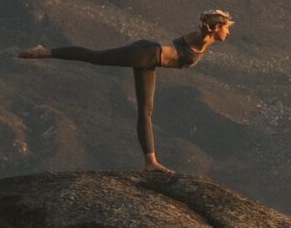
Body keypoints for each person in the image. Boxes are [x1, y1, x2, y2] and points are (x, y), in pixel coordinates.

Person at [17, 9, 234, 171]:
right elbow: (202, 31)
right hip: (145, 53)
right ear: (216, 28)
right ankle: (44, 52)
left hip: (150, 62)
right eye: (227, 27)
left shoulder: (207, 40)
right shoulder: (203, 38)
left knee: (145, 111)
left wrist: (211, 24)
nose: (228, 32)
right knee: (97, 57)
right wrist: (207, 28)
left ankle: (150, 162)